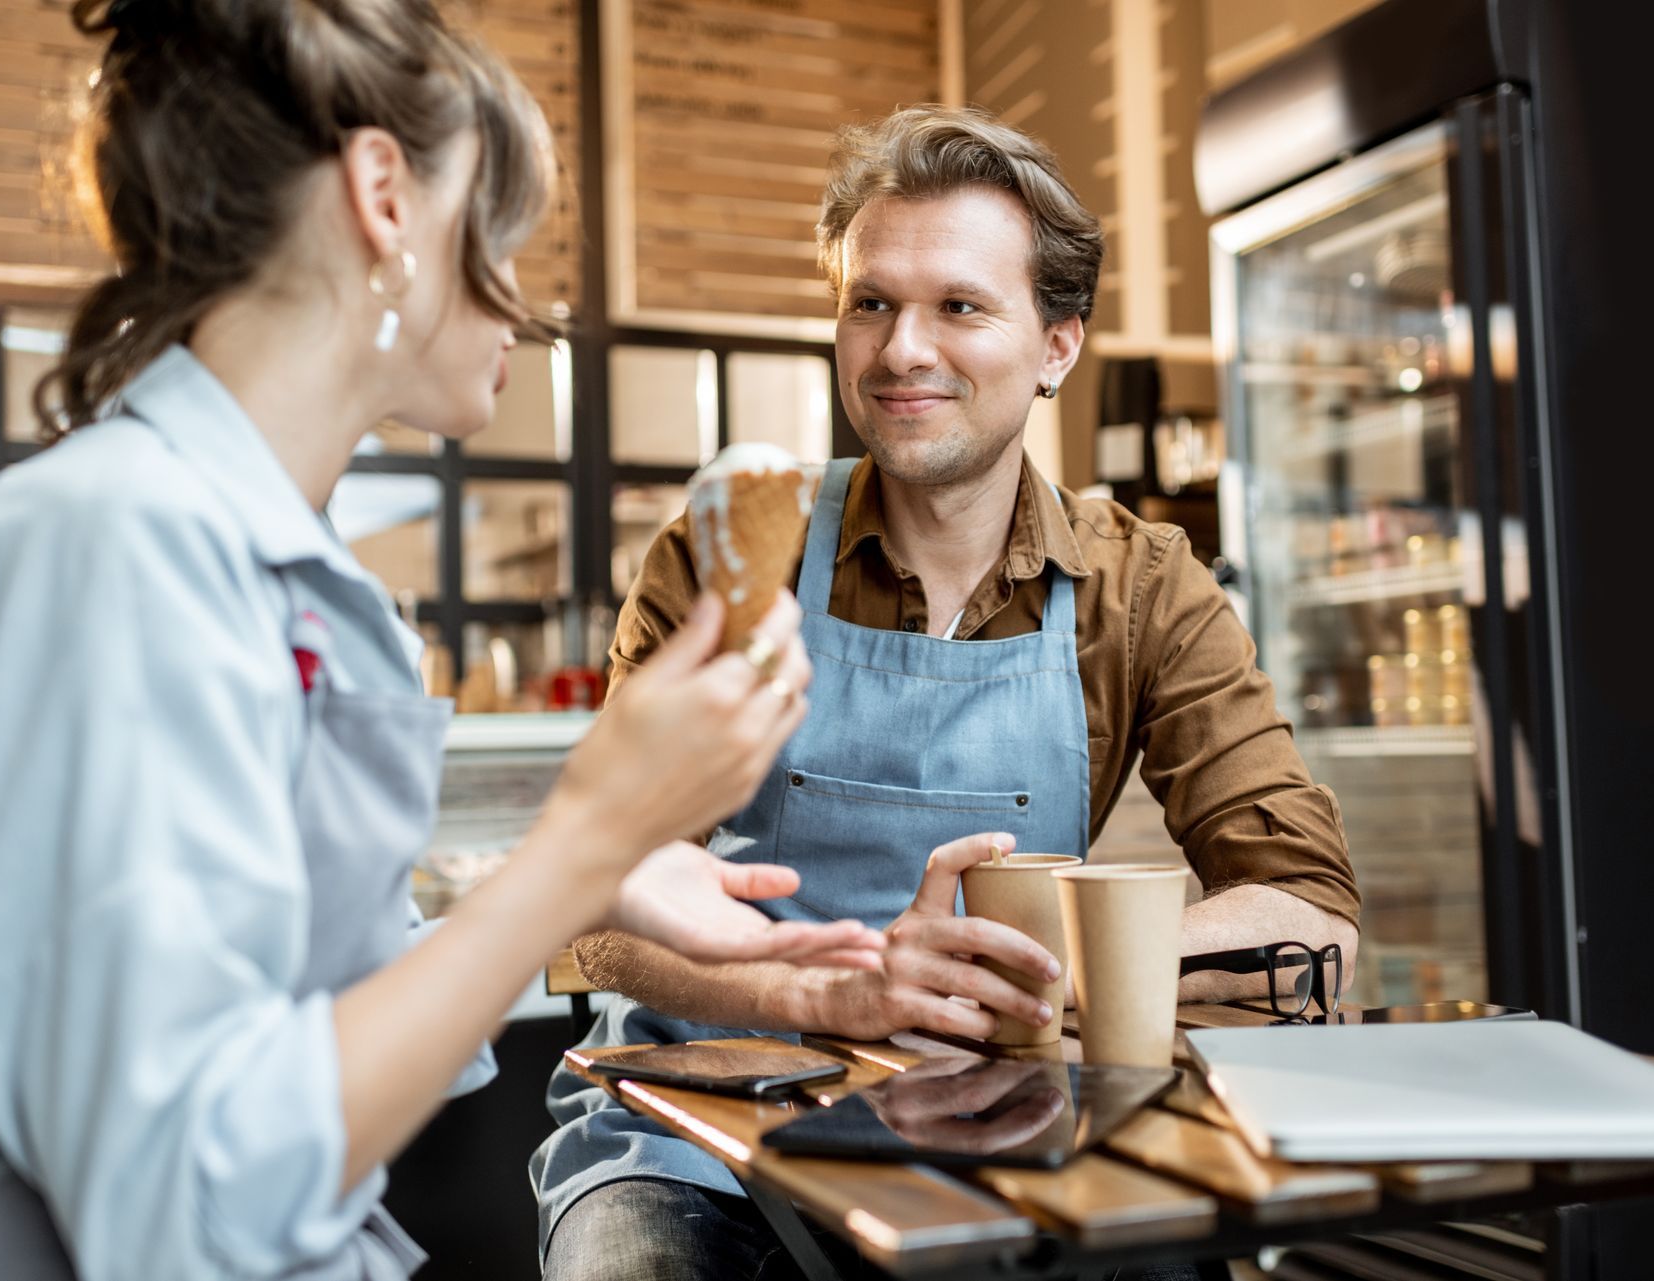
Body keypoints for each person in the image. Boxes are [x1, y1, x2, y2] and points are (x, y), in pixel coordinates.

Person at [0, 2, 886, 1277]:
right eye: (503, 230)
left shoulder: (267, 570)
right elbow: (189, 1206)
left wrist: (604, 876)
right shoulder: (114, 547)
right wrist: (583, 843)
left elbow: (283, 1017)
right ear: (385, 197)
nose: (521, 301)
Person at [531, 106, 1360, 1280]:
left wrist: (1033, 974)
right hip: (701, 1132)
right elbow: (591, 920)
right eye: (871, 303)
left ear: (1058, 344)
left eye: (959, 307)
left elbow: (1309, 914)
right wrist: (827, 990)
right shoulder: (732, 553)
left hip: (1004, 1117)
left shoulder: (1140, 589)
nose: (901, 349)